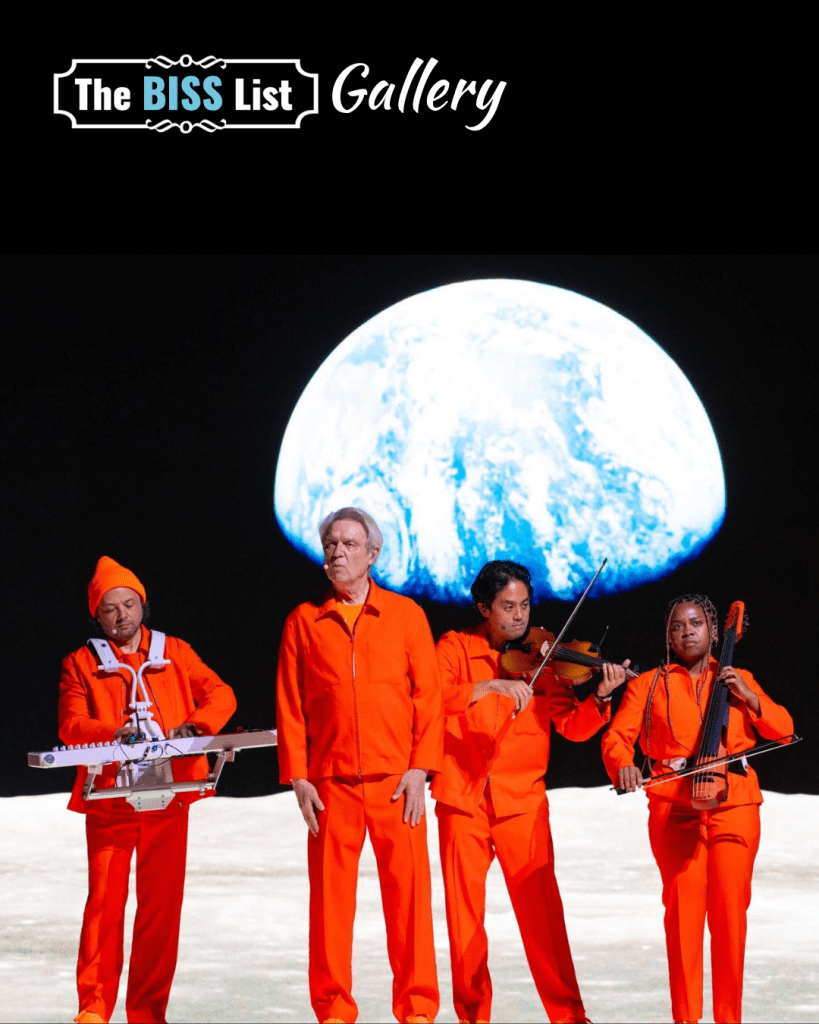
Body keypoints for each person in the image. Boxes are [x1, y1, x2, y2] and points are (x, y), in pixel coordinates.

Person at [431, 560, 628, 1024]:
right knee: (464, 922)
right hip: (462, 798)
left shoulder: (544, 656)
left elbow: (573, 727)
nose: (519, 616)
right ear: (484, 608)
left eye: (524, 605)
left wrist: (600, 697)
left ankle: (570, 1016)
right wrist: (489, 686)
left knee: (543, 919)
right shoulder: (454, 647)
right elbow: (430, 699)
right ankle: (473, 1017)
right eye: (508, 606)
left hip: (522, 802)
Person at [276, 507, 443, 1024]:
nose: (337, 553)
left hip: (397, 783)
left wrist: (421, 768)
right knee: (329, 905)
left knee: (410, 901)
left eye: (349, 544)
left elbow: (429, 698)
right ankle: (333, 1011)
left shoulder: (406, 615)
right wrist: (299, 776)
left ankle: (417, 1009)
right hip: (331, 784)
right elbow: (290, 704)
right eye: (330, 544)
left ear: (373, 554)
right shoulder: (303, 621)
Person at [59, 556, 237, 1024]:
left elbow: (221, 694)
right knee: (104, 906)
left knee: (161, 908)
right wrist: (112, 734)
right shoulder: (81, 663)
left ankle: (148, 1012)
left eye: (129, 604)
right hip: (111, 801)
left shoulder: (174, 651)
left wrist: (196, 727)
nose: (121, 615)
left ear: (143, 605)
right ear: (97, 616)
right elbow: (71, 724)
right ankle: (93, 1009)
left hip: (168, 797)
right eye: (109, 608)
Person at [601, 594, 794, 1024]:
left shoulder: (737, 678)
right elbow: (616, 739)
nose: (687, 632)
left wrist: (750, 697)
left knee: (729, 917)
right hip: (675, 807)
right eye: (677, 626)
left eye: (696, 623)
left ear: (714, 630)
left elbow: (784, 731)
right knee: (684, 918)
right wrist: (623, 765)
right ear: (667, 635)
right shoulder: (647, 684)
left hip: (733, 803)